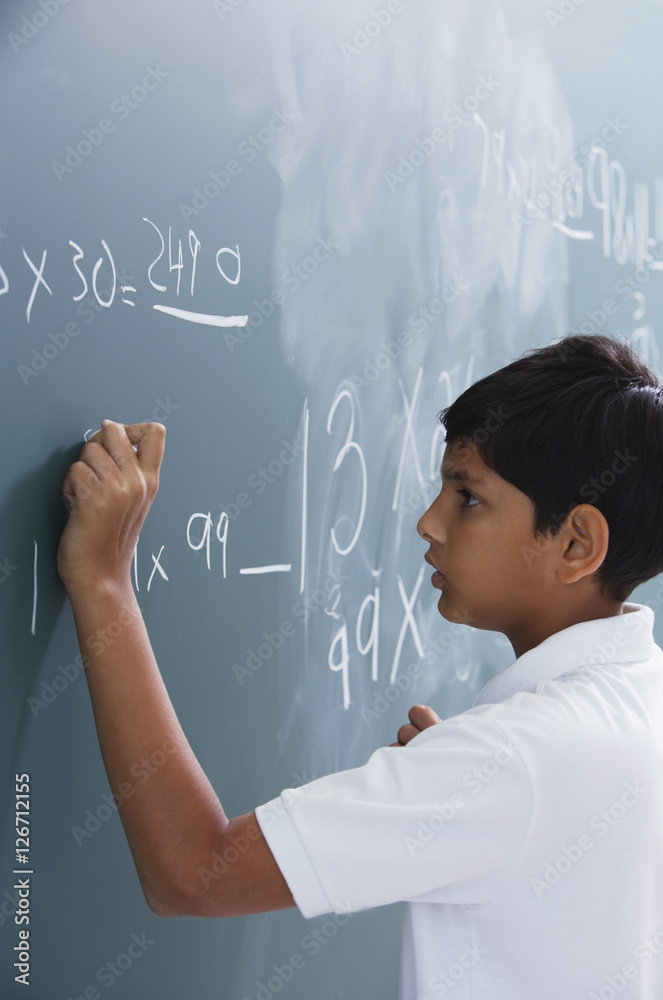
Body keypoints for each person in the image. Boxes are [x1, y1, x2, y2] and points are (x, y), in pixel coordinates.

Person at [57, 333, 663, 999]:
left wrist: (104, 584)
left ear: (576, 544)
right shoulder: (635, 700)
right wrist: (474, 791)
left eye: (467, 497)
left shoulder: (512, 761)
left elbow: (192, 873)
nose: (428, 522)